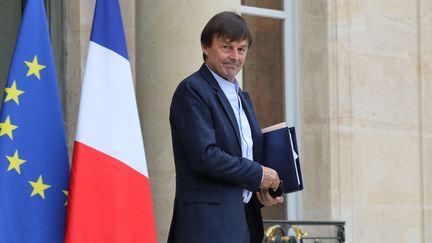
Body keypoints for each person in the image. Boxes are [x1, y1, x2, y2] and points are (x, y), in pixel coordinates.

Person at [167, 11, 284, 243]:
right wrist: (259, 174)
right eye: (226, 47)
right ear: (205, 47)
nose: (235, 56)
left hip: (243, 221)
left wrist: (265, 191)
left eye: (241, 49)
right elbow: (205, 155)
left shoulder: (242, 96)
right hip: (207, 226)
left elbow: (247, 155)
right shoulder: (192, 90)